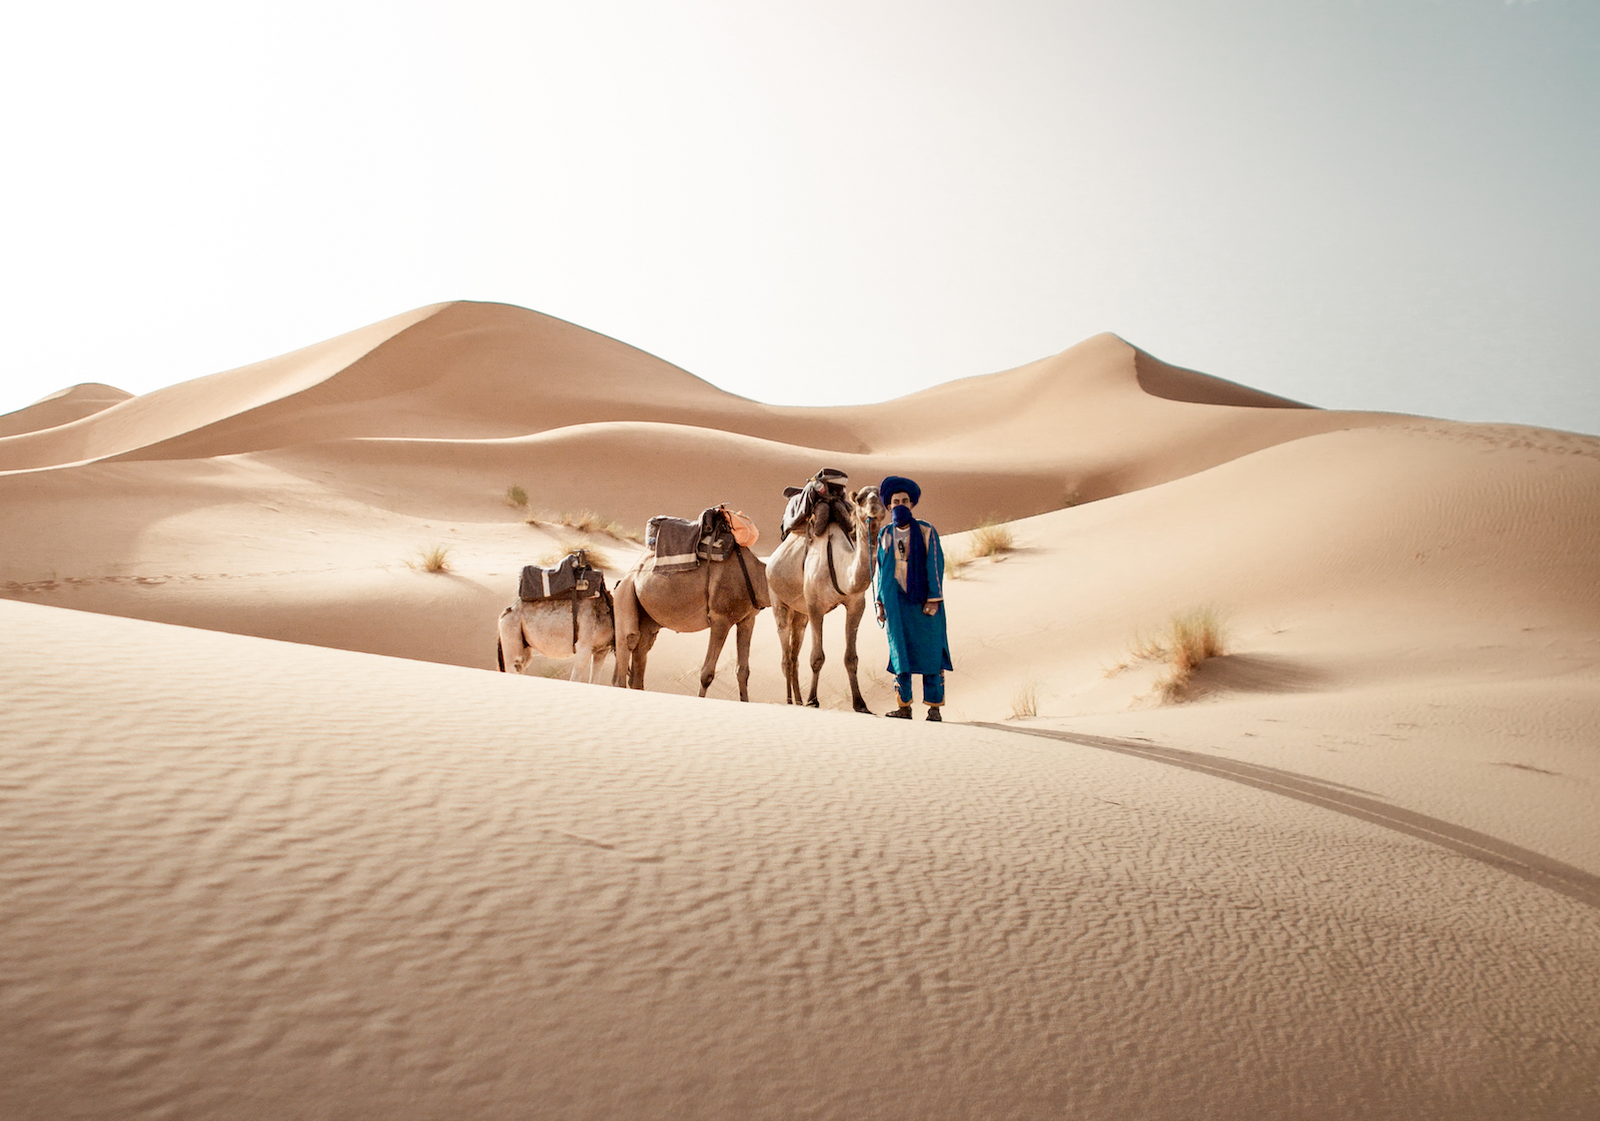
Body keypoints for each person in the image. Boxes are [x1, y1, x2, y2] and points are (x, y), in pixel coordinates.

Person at [874, 476, 953, 721]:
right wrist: (880, 602)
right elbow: (881, 568)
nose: (900, 505)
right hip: (895, 601)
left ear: (912, 504)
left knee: (930, 652)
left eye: (904, 501)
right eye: (895, 501)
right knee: (900, 652)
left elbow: (936, 564)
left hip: (924, 602)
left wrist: (933, 599)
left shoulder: (927, 530)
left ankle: (934, 708)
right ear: (888, 506)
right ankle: (904, 707)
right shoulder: (885, 534)